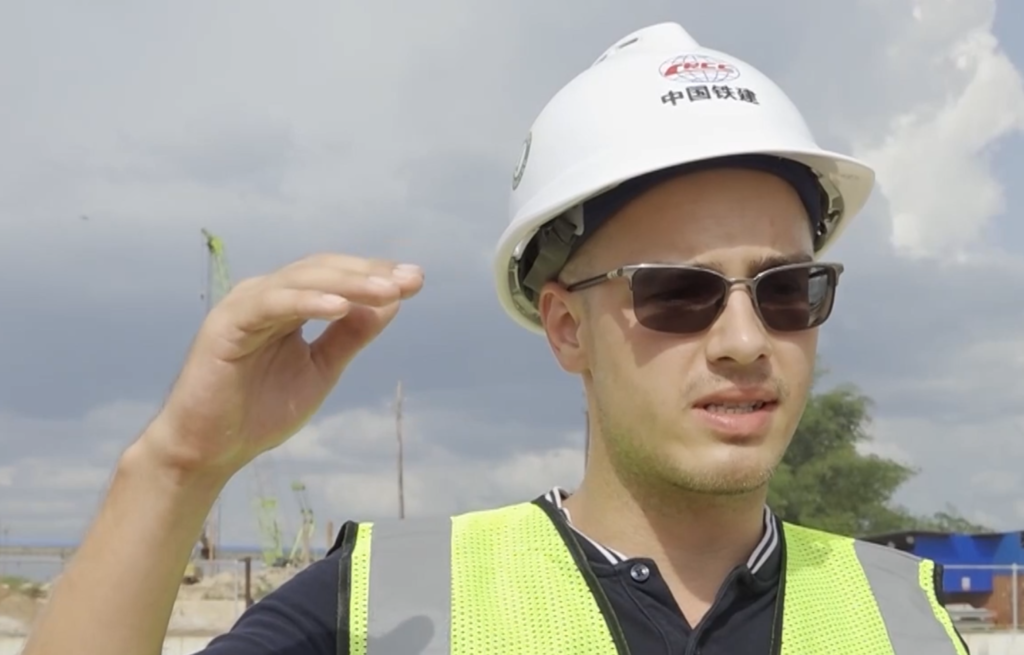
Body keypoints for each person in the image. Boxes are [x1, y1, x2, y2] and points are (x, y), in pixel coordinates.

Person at [21, 21, 968, 655]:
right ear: (565, 325)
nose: (744, 339)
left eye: (786, 289)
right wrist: (177, 466)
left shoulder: (906, 619)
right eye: (677, 291)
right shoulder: (390, 606)